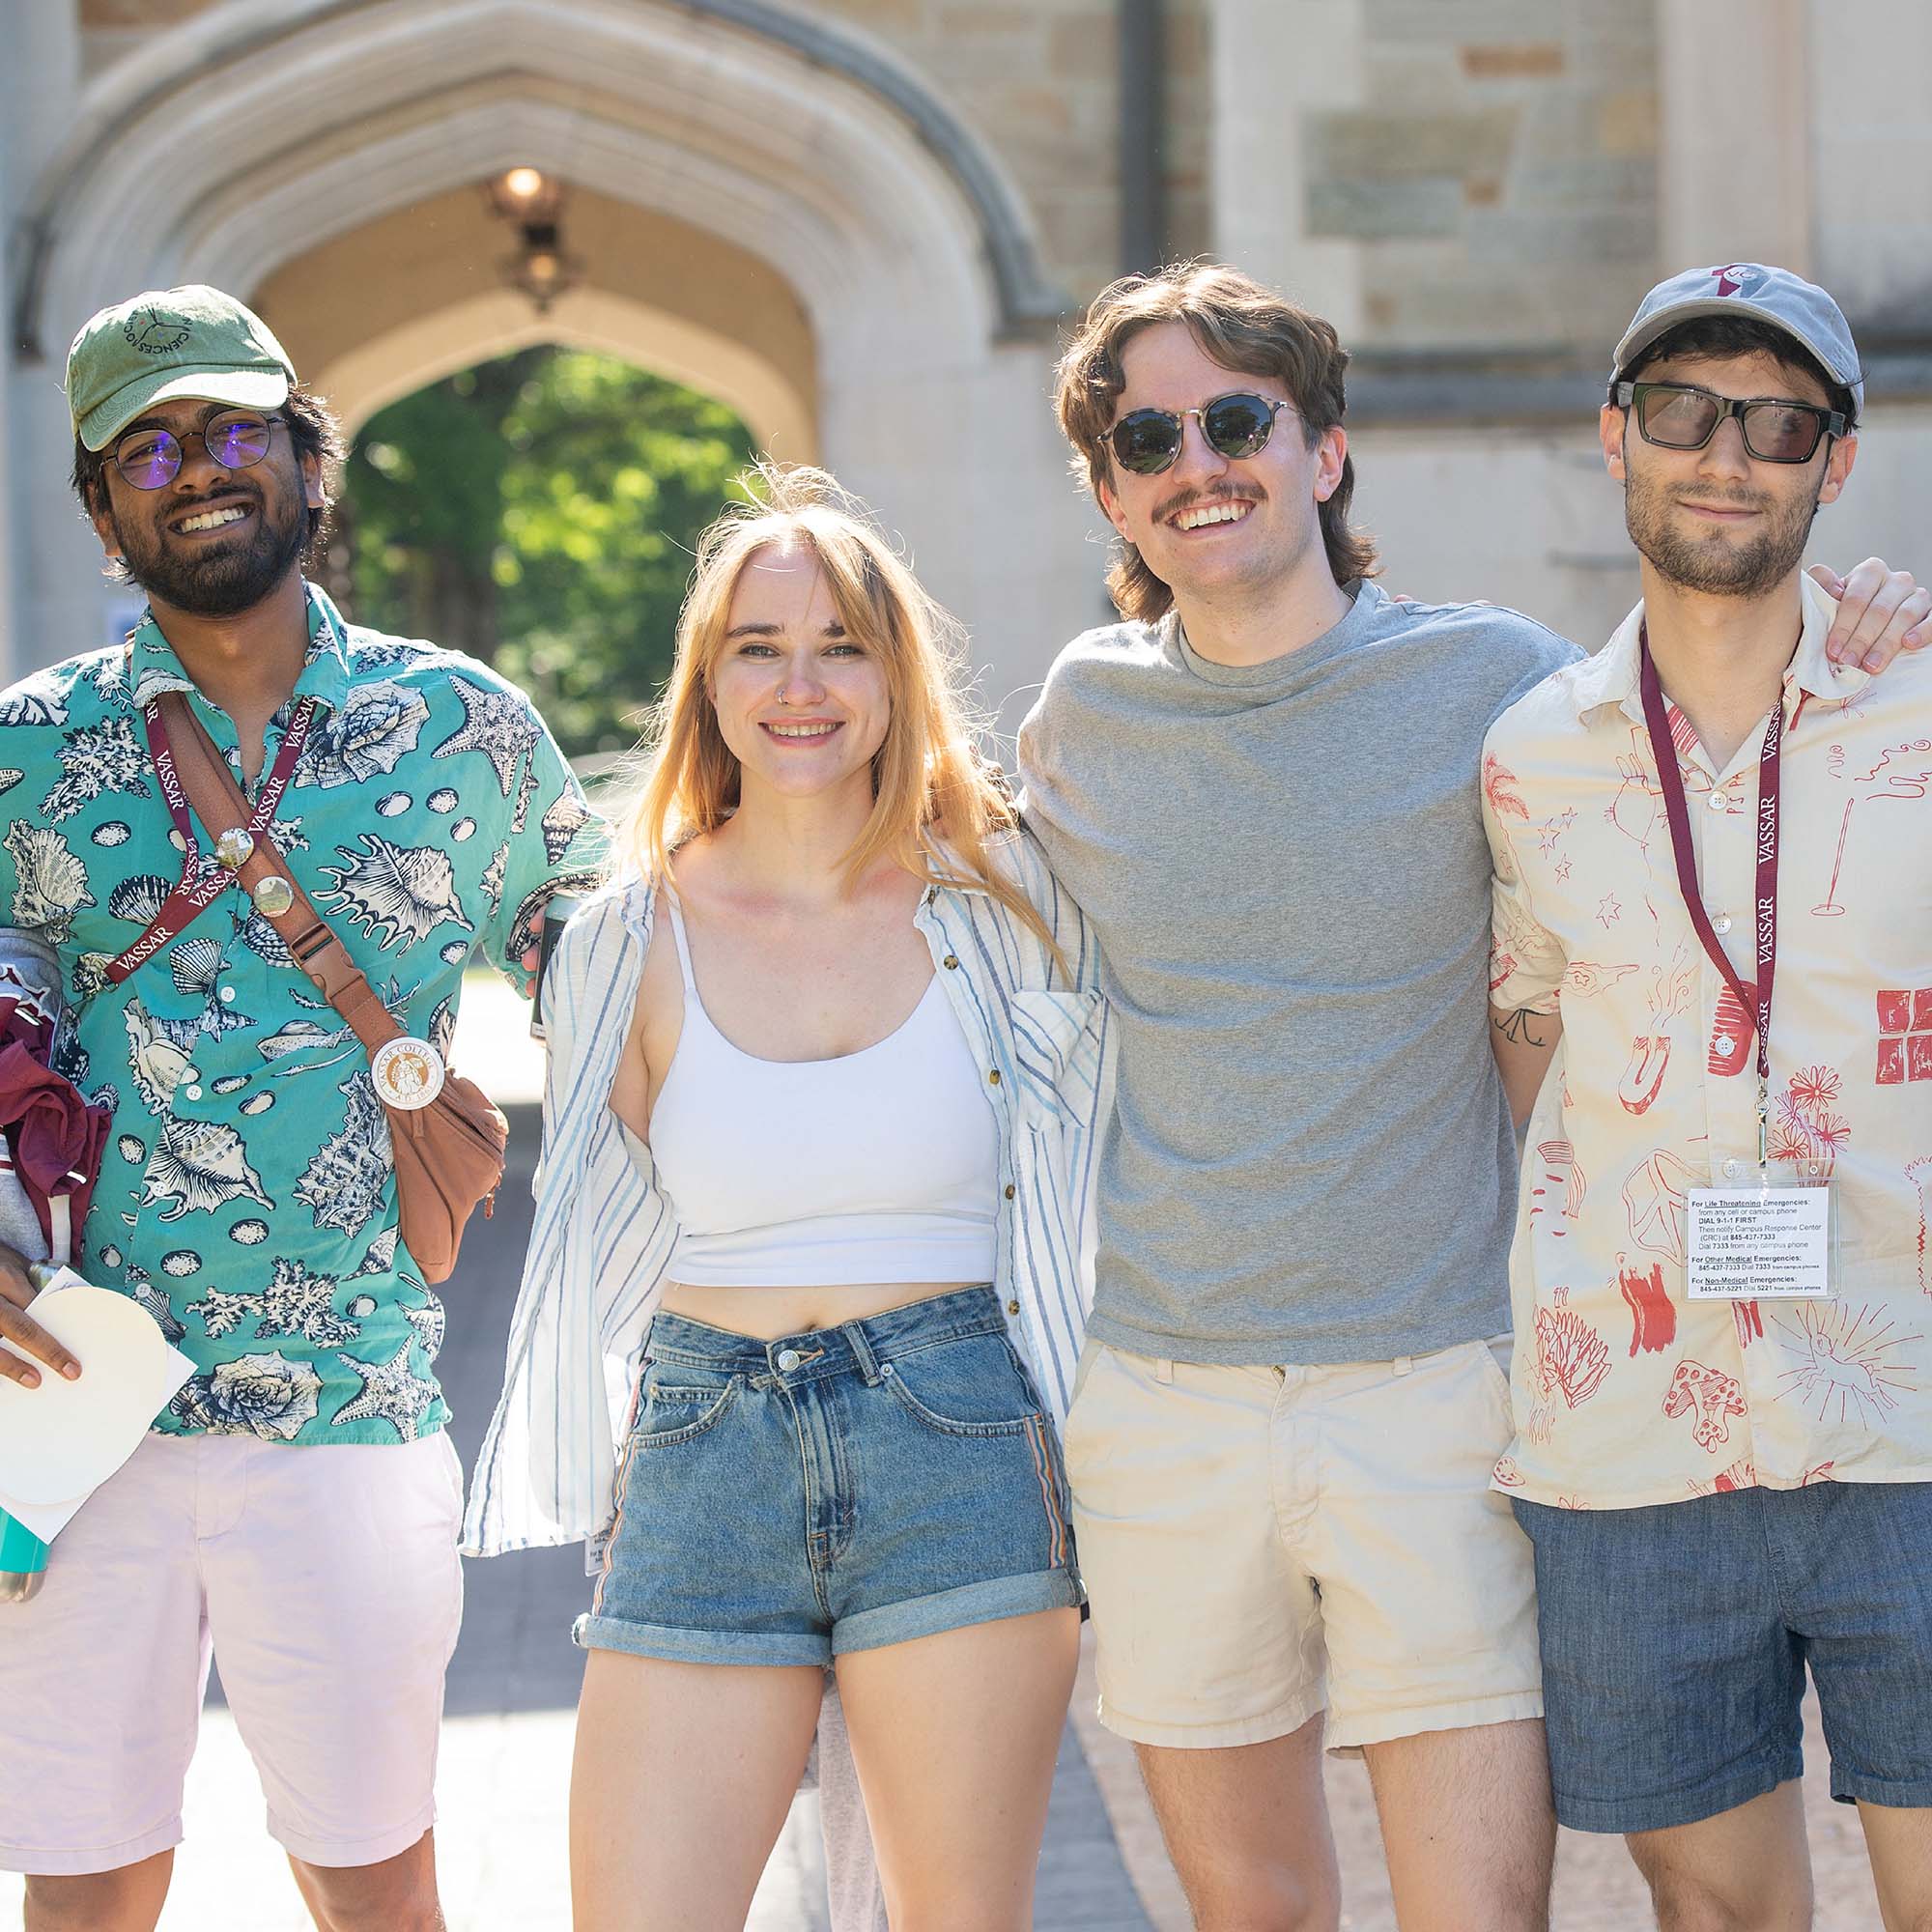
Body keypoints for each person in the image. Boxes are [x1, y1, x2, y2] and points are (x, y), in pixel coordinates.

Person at [1016, 260, 1931, 1932]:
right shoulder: (1100, 718)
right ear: (1110, 488)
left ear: (1327, 449)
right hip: (1253, 1400)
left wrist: (1879, 628)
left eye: (1238, 418)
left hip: (1467, 1388)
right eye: (1152, 435)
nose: (1197, 461)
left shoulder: (1496, 695)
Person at [0, 285, 602, 1932]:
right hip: (66, 1413)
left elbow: (621, 981)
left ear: (304, 458)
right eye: (146, 449)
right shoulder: (25, 751)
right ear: (103, 504)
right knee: (86, 1895)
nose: (195, 470)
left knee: (376, 1888)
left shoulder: (463, 730)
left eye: (231, 431)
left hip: (349, 1403)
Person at [464, 466, 1109, 1931]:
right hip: (707, 1444)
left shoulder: (1006, 905)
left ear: (897, 674)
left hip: (959, 1435)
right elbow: (607, 1220)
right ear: (708, 682)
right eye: (758, 645)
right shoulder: (626, 936)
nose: (800, 684)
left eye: (841, 645)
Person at [1484, 265, 1932, 1931]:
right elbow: (1530, 1041)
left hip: (1912, 1415)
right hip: (1633, 1437)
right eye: (1683, 411)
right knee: (1725, 1915)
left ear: (1838, 461)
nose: (1725, 455)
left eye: (1778, 421)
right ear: (1617, 437)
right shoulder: (1529, 752)